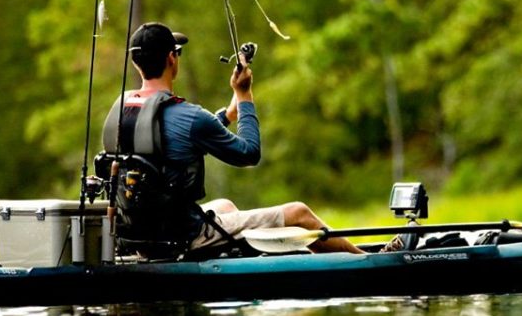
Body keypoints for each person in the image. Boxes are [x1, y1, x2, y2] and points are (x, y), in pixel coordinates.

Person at [104, 21, 364, 255]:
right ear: (172, 58)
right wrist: (245, 95)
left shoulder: (123, 111)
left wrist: (229, 113)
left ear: (137, 64)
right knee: (299, 213)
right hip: (183, 236)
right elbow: (249, 153)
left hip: (142, 236)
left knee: (226, 206)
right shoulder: (190, 116)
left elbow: (176, 143)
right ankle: (366, 263)